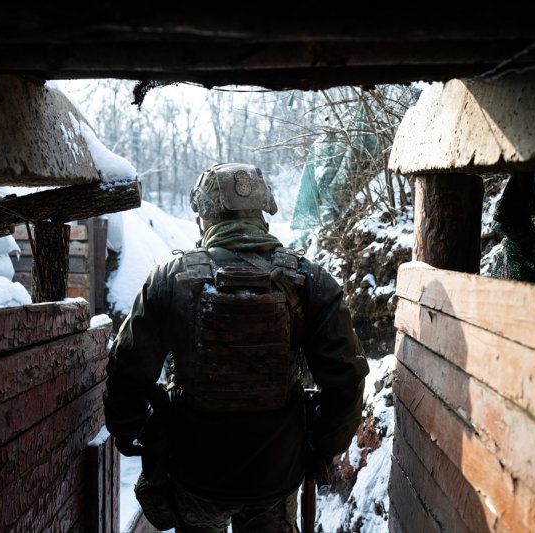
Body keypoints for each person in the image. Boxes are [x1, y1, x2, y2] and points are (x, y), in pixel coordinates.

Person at [103, 162, 368, 533]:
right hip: (276, 474)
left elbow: (129, 370)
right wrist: (322, 445)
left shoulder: (169, 279)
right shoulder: (310, 280)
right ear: (263, 212)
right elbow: (346, 379)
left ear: (204, 216)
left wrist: (132, 431)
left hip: (195, 474)